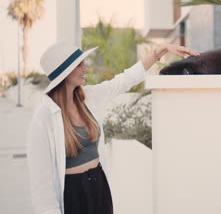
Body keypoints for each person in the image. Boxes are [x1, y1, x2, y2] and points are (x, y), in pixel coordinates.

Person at [26, 42, 199, 214]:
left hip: (99, 187)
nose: (85, 69)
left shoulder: (88, 97)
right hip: (73, 195)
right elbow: (42, 190)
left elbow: (124, 80)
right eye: (79, 65)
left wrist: (158, 53)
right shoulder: (44, 118)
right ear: (66, 72)